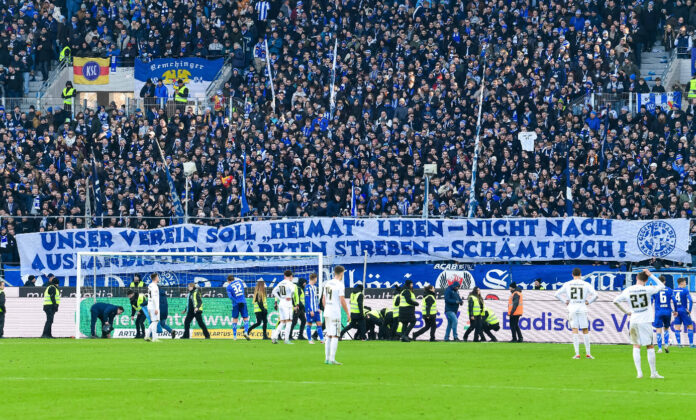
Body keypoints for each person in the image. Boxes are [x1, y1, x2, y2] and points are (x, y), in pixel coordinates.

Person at [613, 269, 665, 379]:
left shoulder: (628, 290)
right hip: (645, 320)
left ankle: (639, 373)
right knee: (650, 346)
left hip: (634, 320)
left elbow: (615, 301)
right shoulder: (647, 289)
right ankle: (653, 373)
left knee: (636, 346)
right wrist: (651, 274)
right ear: (646, 280)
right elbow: (661, 286)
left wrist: (626, 312)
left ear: (636, 278)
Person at [554, 268, 598, 359]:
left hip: (572, 307)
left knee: (575, 329)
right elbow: (596, 295)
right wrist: (588, 302)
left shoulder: (567, 284)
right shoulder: (586, 284)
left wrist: (564, 301)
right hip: (582, 306)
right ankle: (588, 354)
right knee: (585, 330)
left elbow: (556, 294)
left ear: (572, 274)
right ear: (580, 274)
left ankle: (577, 354)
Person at [322, 265, 350, 365]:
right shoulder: (340, 284)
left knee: (329, 335)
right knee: (335, 336)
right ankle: (332, 359)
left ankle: (327, 359)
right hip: (334, 312)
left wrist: (326, 309)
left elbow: (323, 299)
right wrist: (347, 313)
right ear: (341, 273)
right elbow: (342, 299)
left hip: (327, 311)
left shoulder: (327, 283)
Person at [271, 270, 296, 344]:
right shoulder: (290, 283)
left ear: (285, 276)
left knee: (282, 322)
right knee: (289, 321)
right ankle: (286, 339)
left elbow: (274, 291)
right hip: (287, 303)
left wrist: (280, 298)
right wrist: (290, 297)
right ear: (291, 276)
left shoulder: (281, 282)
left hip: (281, 302)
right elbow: (293, 291)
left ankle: (274, 337)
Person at [651, 275, 673, 353]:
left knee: (658, 330)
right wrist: (674, 310)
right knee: (666, 329)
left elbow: (651, 301)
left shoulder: (655, 290)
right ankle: (666, 344)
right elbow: (674, 300)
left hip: (658, 312)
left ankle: (660, 348)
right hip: (667, 312)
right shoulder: (670, 290)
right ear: (664, 281)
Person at [226, 274, 250, 340]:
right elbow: (242, 290)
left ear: (228, 281)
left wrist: (235, 301)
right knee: (245, 318)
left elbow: (230, 296)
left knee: (235, 319)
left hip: (236, 304)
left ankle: (234, 336)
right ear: (234, 279)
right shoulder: (239, 282)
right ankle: (246, 332)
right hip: (243, 301)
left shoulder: (228, 287)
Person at [672, 277, 694, 348]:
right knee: (690, 326)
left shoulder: (674, 290)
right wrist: (689, 310)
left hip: (677, 311)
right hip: (684, 311)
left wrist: (673, 310)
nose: (686, 284)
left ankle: (679, 344)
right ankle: (691, 344)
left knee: (677, 327)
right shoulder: (685, 290)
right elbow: (690, 301)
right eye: (685, 282)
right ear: (681, 283)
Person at [304, 273, 323, 344]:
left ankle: (322, 339)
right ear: (314, 278)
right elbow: (307, 300)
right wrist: (310, 310)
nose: (317, 280)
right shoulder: (307, 287)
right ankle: (309, 340)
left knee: (319, 324)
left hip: (316, 310)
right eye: (316, 278)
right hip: (310, 311)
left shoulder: (315, 287)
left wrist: (318, 308)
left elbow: (315, 299)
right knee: (309, 324)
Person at [144, 273, 160, 342]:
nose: (159, 278)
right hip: (153, 306)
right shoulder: (154, 286)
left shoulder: (150, 285)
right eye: (158, 277)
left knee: (154, 321)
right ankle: (154, 338)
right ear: (156, 278)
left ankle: (147, 336)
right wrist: (156, 308)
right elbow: (154, 298)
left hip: (150, 305)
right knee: (155, 321)